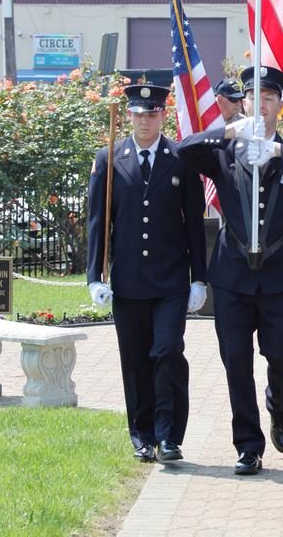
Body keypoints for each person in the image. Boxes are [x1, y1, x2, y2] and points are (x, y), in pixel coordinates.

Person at [178, 65, 283, 476]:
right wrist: (230, 133)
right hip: (232, 273)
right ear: (244, 102)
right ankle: (248, 445)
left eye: (270, 98)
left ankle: (280, 407)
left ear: (280, 105)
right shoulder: (224, 151)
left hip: (279, 273)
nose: (261, 104)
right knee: (236, 361)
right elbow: (185, 150)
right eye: (255, 97)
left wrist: (280, 152)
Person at [87, 83, 207, 464]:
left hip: (170, 279)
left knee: (168, 352)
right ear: (129, 116)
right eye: (139, 114)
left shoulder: (179, 158)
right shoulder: (109, 158)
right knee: (136, 360)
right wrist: (94, 276)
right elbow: (97, 223)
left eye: (152, 113)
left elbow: (194, 224)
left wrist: (199, 278)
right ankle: (142, 434)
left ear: (163, 116)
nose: (145, 120)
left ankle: (169, 435)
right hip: (129, 282)